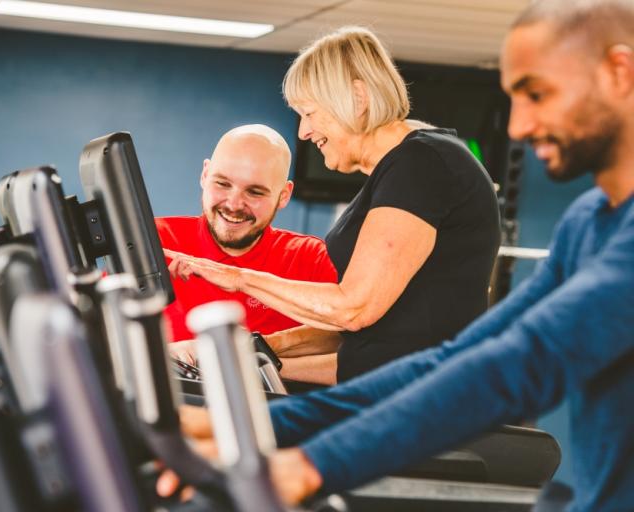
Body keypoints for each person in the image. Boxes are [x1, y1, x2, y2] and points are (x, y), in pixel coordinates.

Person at [161, 1, 634, 509]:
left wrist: (312, 462)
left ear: (620, 73)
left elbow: (514, 367)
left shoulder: (427, 164)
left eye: (536, 94)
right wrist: (249, 424)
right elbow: (453, 360)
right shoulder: (588, 221)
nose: (517, 127)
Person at [167, 27, 501, 384]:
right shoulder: (402, 168)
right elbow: (369, 333)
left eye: (309, 113)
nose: (304, 132)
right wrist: (250, 350)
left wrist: (239, 278)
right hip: (381, 386)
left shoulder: (420, 163)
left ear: (357, 98)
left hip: (419, 402)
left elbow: (353, 308)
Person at [156, 124, 337, 363]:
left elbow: (347, 337)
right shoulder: (155, 239)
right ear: (205, 175)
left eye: (255, 192)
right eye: (222, 184)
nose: (233, 204)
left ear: (284, 195)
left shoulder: (312, 258)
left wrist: (255, 347)